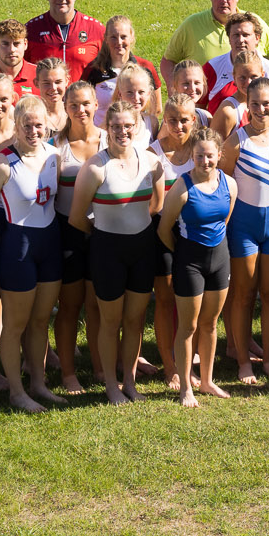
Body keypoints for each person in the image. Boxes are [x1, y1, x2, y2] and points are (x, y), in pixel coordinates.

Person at [66, 104, 170, 405]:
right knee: (110, 322)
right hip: (107, 251)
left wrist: (134, 228)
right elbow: (76, 218)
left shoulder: (151, 162)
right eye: (116, 126)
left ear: (137, 127)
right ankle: (111, 384)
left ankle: (129, 381)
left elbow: (156, 206)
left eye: (128, 126)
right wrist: (106, 235)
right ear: (106, 128)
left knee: (135, 320)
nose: (123, 132)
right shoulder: (96, 167)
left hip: (141, 249)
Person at [0, 96, 63, 414]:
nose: (33, 131)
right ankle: (16, 391)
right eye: (26, 125)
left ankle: (38, 382)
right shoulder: (2, 163)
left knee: (41, 321)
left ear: (47, 125)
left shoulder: (54, 156)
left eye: (38, 125)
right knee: (15, 324)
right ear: (16, 126)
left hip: (50, 244)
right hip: (18, 245)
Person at [220, 79, 269, 385]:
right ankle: (243, 362)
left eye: (267, 103)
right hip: (244, 227)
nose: (261, 110)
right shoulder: (235, 142)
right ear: (246, 107)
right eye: (255, 104)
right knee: (244, 295)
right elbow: (222, 187)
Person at [158, 130, 235, 405]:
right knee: (188, 327)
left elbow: (224, 220)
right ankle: (185, 387)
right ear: (192, 156)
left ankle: (207, 381)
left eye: (210, 156)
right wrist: (183, 254)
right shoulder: (182, 186)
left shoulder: (229, 184)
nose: (205, 161)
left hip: (220, 258)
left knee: (211, 324)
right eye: (199, 156)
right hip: (189, 262)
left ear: (219, 156)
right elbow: (164, 229)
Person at [51, 93, 106, 397]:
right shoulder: (56, 147)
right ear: (66, 108)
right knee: (70, 306)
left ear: (97, 105)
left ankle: (99, 367)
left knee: (97, 303)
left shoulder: (111, 140)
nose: (81, 110)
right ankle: (68, 372)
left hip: (103, 232)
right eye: (74, 105)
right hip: (69, 232)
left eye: (87, 104)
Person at [159, 0, 269, 100]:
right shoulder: (191, 24)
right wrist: (174, 89)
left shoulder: (253, 23)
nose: (223, 0)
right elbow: (168, 61)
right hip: (205, 104)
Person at [26, 0, 105, 81]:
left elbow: (115, 62)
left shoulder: (95, 29)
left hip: (82, 96)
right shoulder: (31, 29)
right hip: (45, 96)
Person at [83, 15, 159, 111]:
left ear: (131, 37)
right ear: (106, 38)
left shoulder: (146, 67)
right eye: (113, 37)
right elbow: (82, 104)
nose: (119, 42)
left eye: (123, 37)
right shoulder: (93, 69)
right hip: (100, 126)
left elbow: (156, 109)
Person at [0, 20, 37, 96]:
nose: (11, 50)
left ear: (25, 44)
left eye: (16, 44)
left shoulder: (39, 75)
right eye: (5, 44)